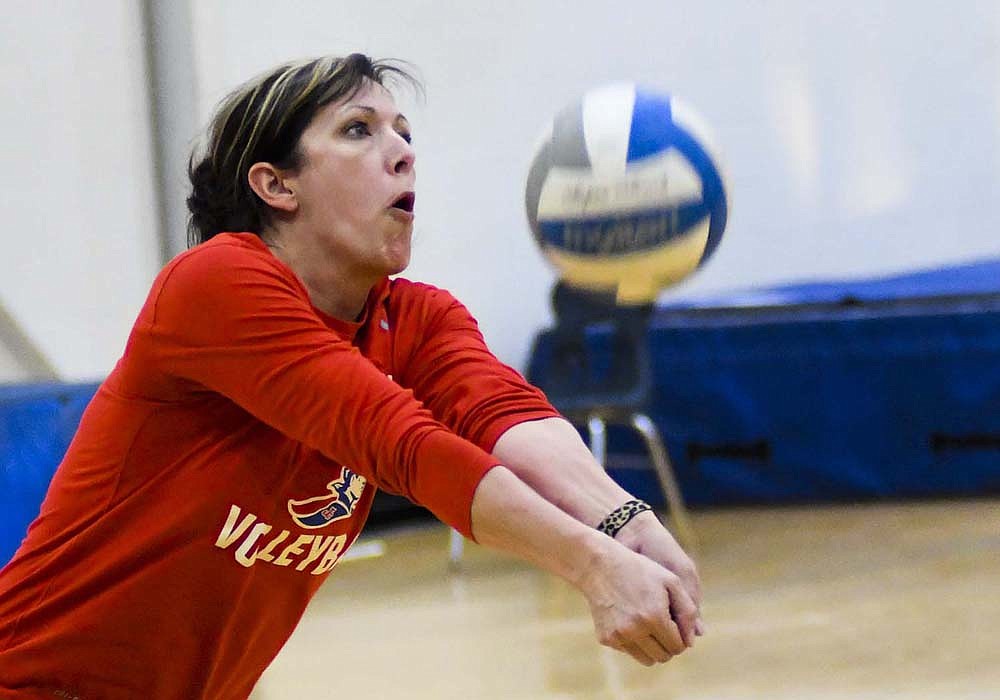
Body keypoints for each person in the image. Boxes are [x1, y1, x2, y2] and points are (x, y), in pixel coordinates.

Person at [0, 54, 702, 699]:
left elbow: (503, 414)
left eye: (403, 130)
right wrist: (589, 564)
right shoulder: (216, 284)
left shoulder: (418, 318)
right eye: (359, 130)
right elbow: (398, 440)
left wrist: (622, 518)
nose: (402, 152)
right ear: (276, 185)